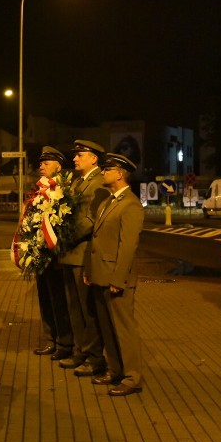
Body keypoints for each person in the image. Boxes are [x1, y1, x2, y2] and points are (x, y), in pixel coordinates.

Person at [84, 153, 145, 396]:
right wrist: (90, 271)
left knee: (123, 329)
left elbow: (128, 246)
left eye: (107, 169)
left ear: (120, 174)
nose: (102, 172)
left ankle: (132, 377)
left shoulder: (130, 205)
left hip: (116, 279)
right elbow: (97, 240)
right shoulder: (107, 202)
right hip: (100, 274)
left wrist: (118, 279)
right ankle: (116, 370)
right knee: (107, 328)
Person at [58, 140, 111, 377]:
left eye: (81, 155)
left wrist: (66, 236)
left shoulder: (99, 183)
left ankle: (95, 357)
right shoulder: (79, 182)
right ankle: (80, 351)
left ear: (94, 158)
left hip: (82, 254)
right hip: (70, 254)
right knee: (75, 309)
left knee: (88, 310)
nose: (75, 158)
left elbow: (90, 221)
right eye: (76, 154)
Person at [27, 146, 74, 359]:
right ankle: (50, 339)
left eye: (46, 163)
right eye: (41, 163)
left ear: (58, 166)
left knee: (59, 300)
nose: (41, 167)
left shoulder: (65, 190)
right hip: (41, 255)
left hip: (57, 257)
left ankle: (65, 343)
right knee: (45, 298)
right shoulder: (39, 191)